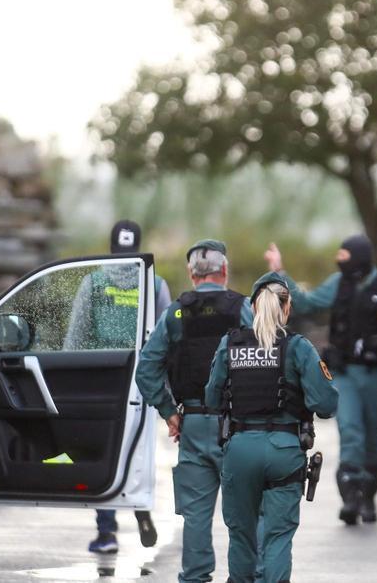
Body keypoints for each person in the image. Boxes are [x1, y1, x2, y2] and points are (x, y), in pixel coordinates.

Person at [263, 236, 377, 525]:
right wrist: (281, 274)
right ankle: (351, 498)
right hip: (345, 374)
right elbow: (308, 304)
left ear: (359, 256)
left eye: (344, 255)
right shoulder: (338, 283)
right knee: (350, 433)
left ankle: (368, 497)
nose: (340, 260)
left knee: (373, 438)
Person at [205, 272, 339, 583]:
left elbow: (212, 397)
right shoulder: (299, 347)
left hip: (239, 449)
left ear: (252, 306)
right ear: (287, 307)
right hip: (284, 449)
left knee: (241, 536)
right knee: (278, 537)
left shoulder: (230, 344)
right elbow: (327, 405)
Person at [134, 239, 252, 582]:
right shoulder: (243, 307)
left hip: (195, 423)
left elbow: (147, 368)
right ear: (225, 270)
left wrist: (169, 411)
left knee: (197, 515)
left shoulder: (176, 312)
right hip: (239, 427)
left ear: (191, 274)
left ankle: (196, 576)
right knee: (244, 511)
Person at [88, 219, 171, 554]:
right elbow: (168, 336)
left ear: (112, 249)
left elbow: (78, 333)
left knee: (104, 453)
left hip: (103, 377)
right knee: (139, 448)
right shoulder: (155, 283)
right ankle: (141, 507)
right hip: (143, 378)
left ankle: (106, 532)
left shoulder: (93, 281)